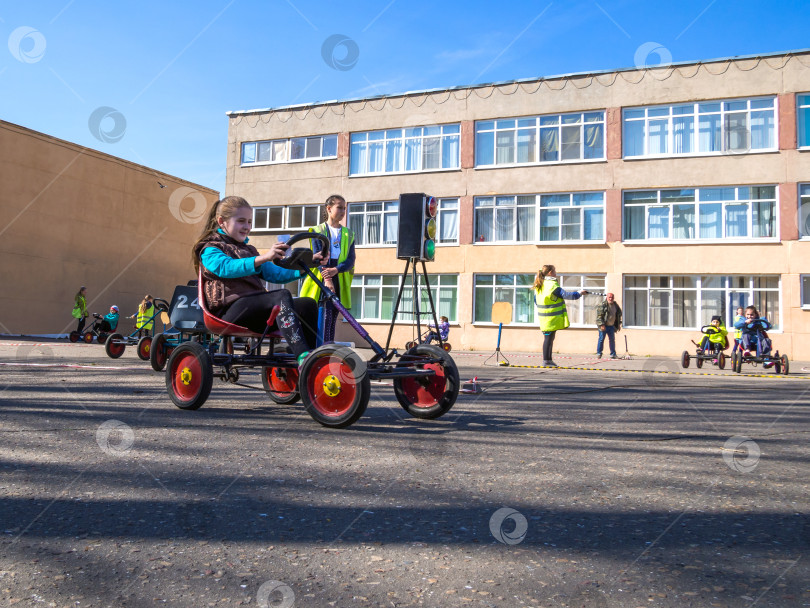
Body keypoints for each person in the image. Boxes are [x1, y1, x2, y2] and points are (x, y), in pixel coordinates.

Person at [192, 196, 320, 363]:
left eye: (250, 222)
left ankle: (313, 357)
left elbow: (275, 273)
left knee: (308, 304)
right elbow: (226, 268)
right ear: (221, 221)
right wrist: (264, 257)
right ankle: (303, 357)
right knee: (280, 295)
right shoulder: (210, 248)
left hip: (255, 312)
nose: (247, 227)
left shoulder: (249, 250)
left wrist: (305, 267)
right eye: (241, 221)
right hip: (229, 312)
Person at [299, 194, 356, 344]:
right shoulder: (317, 230)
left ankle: (328, 347)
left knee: (333, 316)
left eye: (344, 208)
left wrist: (336, 270)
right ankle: (319, 349)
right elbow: (318, 257)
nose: (343, 211)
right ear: (329, 209)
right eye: (340, 207)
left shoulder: (349, 234)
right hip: (321, 279)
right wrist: (327, 278)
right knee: (323, 315)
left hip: (338, 276)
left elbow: (350, 260)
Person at [533, 265, 586, 367]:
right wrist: (579, 293)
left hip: (544, 317)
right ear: (549, 273)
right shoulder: (552, 285)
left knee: (549, 338)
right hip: (551, 317)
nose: (556, 272)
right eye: (554, 271)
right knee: (548, 339)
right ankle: (546, 361)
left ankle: (548, 360)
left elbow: (536, 301)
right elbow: (566, 295)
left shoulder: (540, 285)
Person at [595, 292, 622, 359]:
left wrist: (618, 324)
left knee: (612, 340)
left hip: (611, 326)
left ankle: (613, 354)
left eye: (612, 297)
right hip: (604, 326)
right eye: (609, 297)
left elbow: (618, 315)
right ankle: (599, 353)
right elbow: (599, 316)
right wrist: (602, 324)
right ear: (607, 297)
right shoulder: (602, 305)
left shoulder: (615, 305)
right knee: (601, 339)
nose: (611, 298)